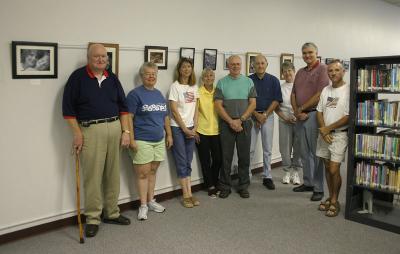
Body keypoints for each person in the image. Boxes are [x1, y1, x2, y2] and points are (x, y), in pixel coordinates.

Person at [62, 43, 131, 238]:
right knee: (92, 177)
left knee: (113, 174)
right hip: (90, 131)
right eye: (96, 57)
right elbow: (68, 111)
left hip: (115, 128)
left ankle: (112, 212)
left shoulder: (113, 78)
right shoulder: (77, 78)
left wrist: (126, 131)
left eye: (104, 57)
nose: (101, 60)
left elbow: (123, 108)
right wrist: (77, 133)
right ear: (88, 58)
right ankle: (93, 218)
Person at [126, 62, 173, 220]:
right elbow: (128, 118)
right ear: (142, 76)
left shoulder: (159, 94)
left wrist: (169, 135)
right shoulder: (134, 94)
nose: (151, 76)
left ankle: (151, 201)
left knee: (153, 172)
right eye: (148, 73)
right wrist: (131, 139)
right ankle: (143, 205)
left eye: (154, 73)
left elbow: (165, 117)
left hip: (158, 140)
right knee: (142, 174)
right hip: (141, 140)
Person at [291, 42, 330, 201]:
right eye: (304, 53)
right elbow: (293, 93)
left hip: (314, 115)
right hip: (300, 116)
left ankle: (318, 188)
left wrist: (302, 109)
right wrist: (296, 111)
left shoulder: (323, 70)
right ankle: (307, 182)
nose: (307, 55)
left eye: (310, 52)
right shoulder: (300, 72)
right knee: (303, 153)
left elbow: (321, 93)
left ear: (316, 53)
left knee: (316, 153)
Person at [214, 55, 256, 199]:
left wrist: (241, 119)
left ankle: (243, 185)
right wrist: (231, 121)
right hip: (227, 125)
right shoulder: (221, 83)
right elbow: (218, 106)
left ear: (241, 65)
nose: (235, 66)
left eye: (238, 64)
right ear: (228, 65)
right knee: (226, 157)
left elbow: (253, 104)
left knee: (244, 157)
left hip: (245, 124)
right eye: (232, 64)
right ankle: (225, 185)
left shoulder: (249, 81)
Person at [316, 60, 349, 217]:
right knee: (327, 168)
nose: (333, 73)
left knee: (334, 169)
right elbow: (319, 112)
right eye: (330, 71)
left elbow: (348, 117)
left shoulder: (348, 90)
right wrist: (324, 132)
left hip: (339, 135)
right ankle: (330, 196)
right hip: (324, 135)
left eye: (337, 70)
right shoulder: (325, 90)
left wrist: (328, 129)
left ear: (343, 71)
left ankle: (335, 200)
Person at [168, 58, 200, 208]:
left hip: (191, 128)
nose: (187, 69)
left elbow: (196, 109)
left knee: (188, 160)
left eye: (189, 66)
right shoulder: (175, 87)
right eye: (184, 67)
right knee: (181, 161)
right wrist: (185, 129)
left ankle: (190, 193)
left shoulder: (194, 87)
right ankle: (185, 195)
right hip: (178, 128)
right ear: (179, 70)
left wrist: (194, 128)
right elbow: (174, 111)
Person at [249, 54, 282, 190]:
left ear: (266, 64)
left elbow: (276, 100)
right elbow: (246, 100)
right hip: (251, 116)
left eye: (262, 63)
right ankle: (247, 175)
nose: (260, 65)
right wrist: (256, 115)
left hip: (268, 116)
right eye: (257, 63)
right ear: (253, 65)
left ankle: (267, 175)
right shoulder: (248, 80)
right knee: (250, 148)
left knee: (267, 148)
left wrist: (264, 115)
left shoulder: (274, 80)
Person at [196, 68, 222, 198]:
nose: (209, 77)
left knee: (218, 159)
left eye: (211, 75)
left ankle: (214, 180)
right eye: (206, 76)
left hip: (217, 130)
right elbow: (194, 112)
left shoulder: (219, 91)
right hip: (202, 131)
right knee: (205, 160)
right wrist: (194, 130)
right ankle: (211, 185)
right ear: (202, 78)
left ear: (214, 77)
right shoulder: (198, 92)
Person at [275, 62, 302, 185]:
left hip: (299, 121)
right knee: (285, 148)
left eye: (289, 70)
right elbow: (276, 107)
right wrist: (285, 118)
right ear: (282, 74)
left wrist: (298, 116)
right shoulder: (280, 88)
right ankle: (286, 172)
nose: (287, 73)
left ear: (294, 71)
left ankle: (296, 172)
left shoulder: (301, 86)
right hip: (284, 121)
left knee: (298, 148)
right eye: (284, 71)